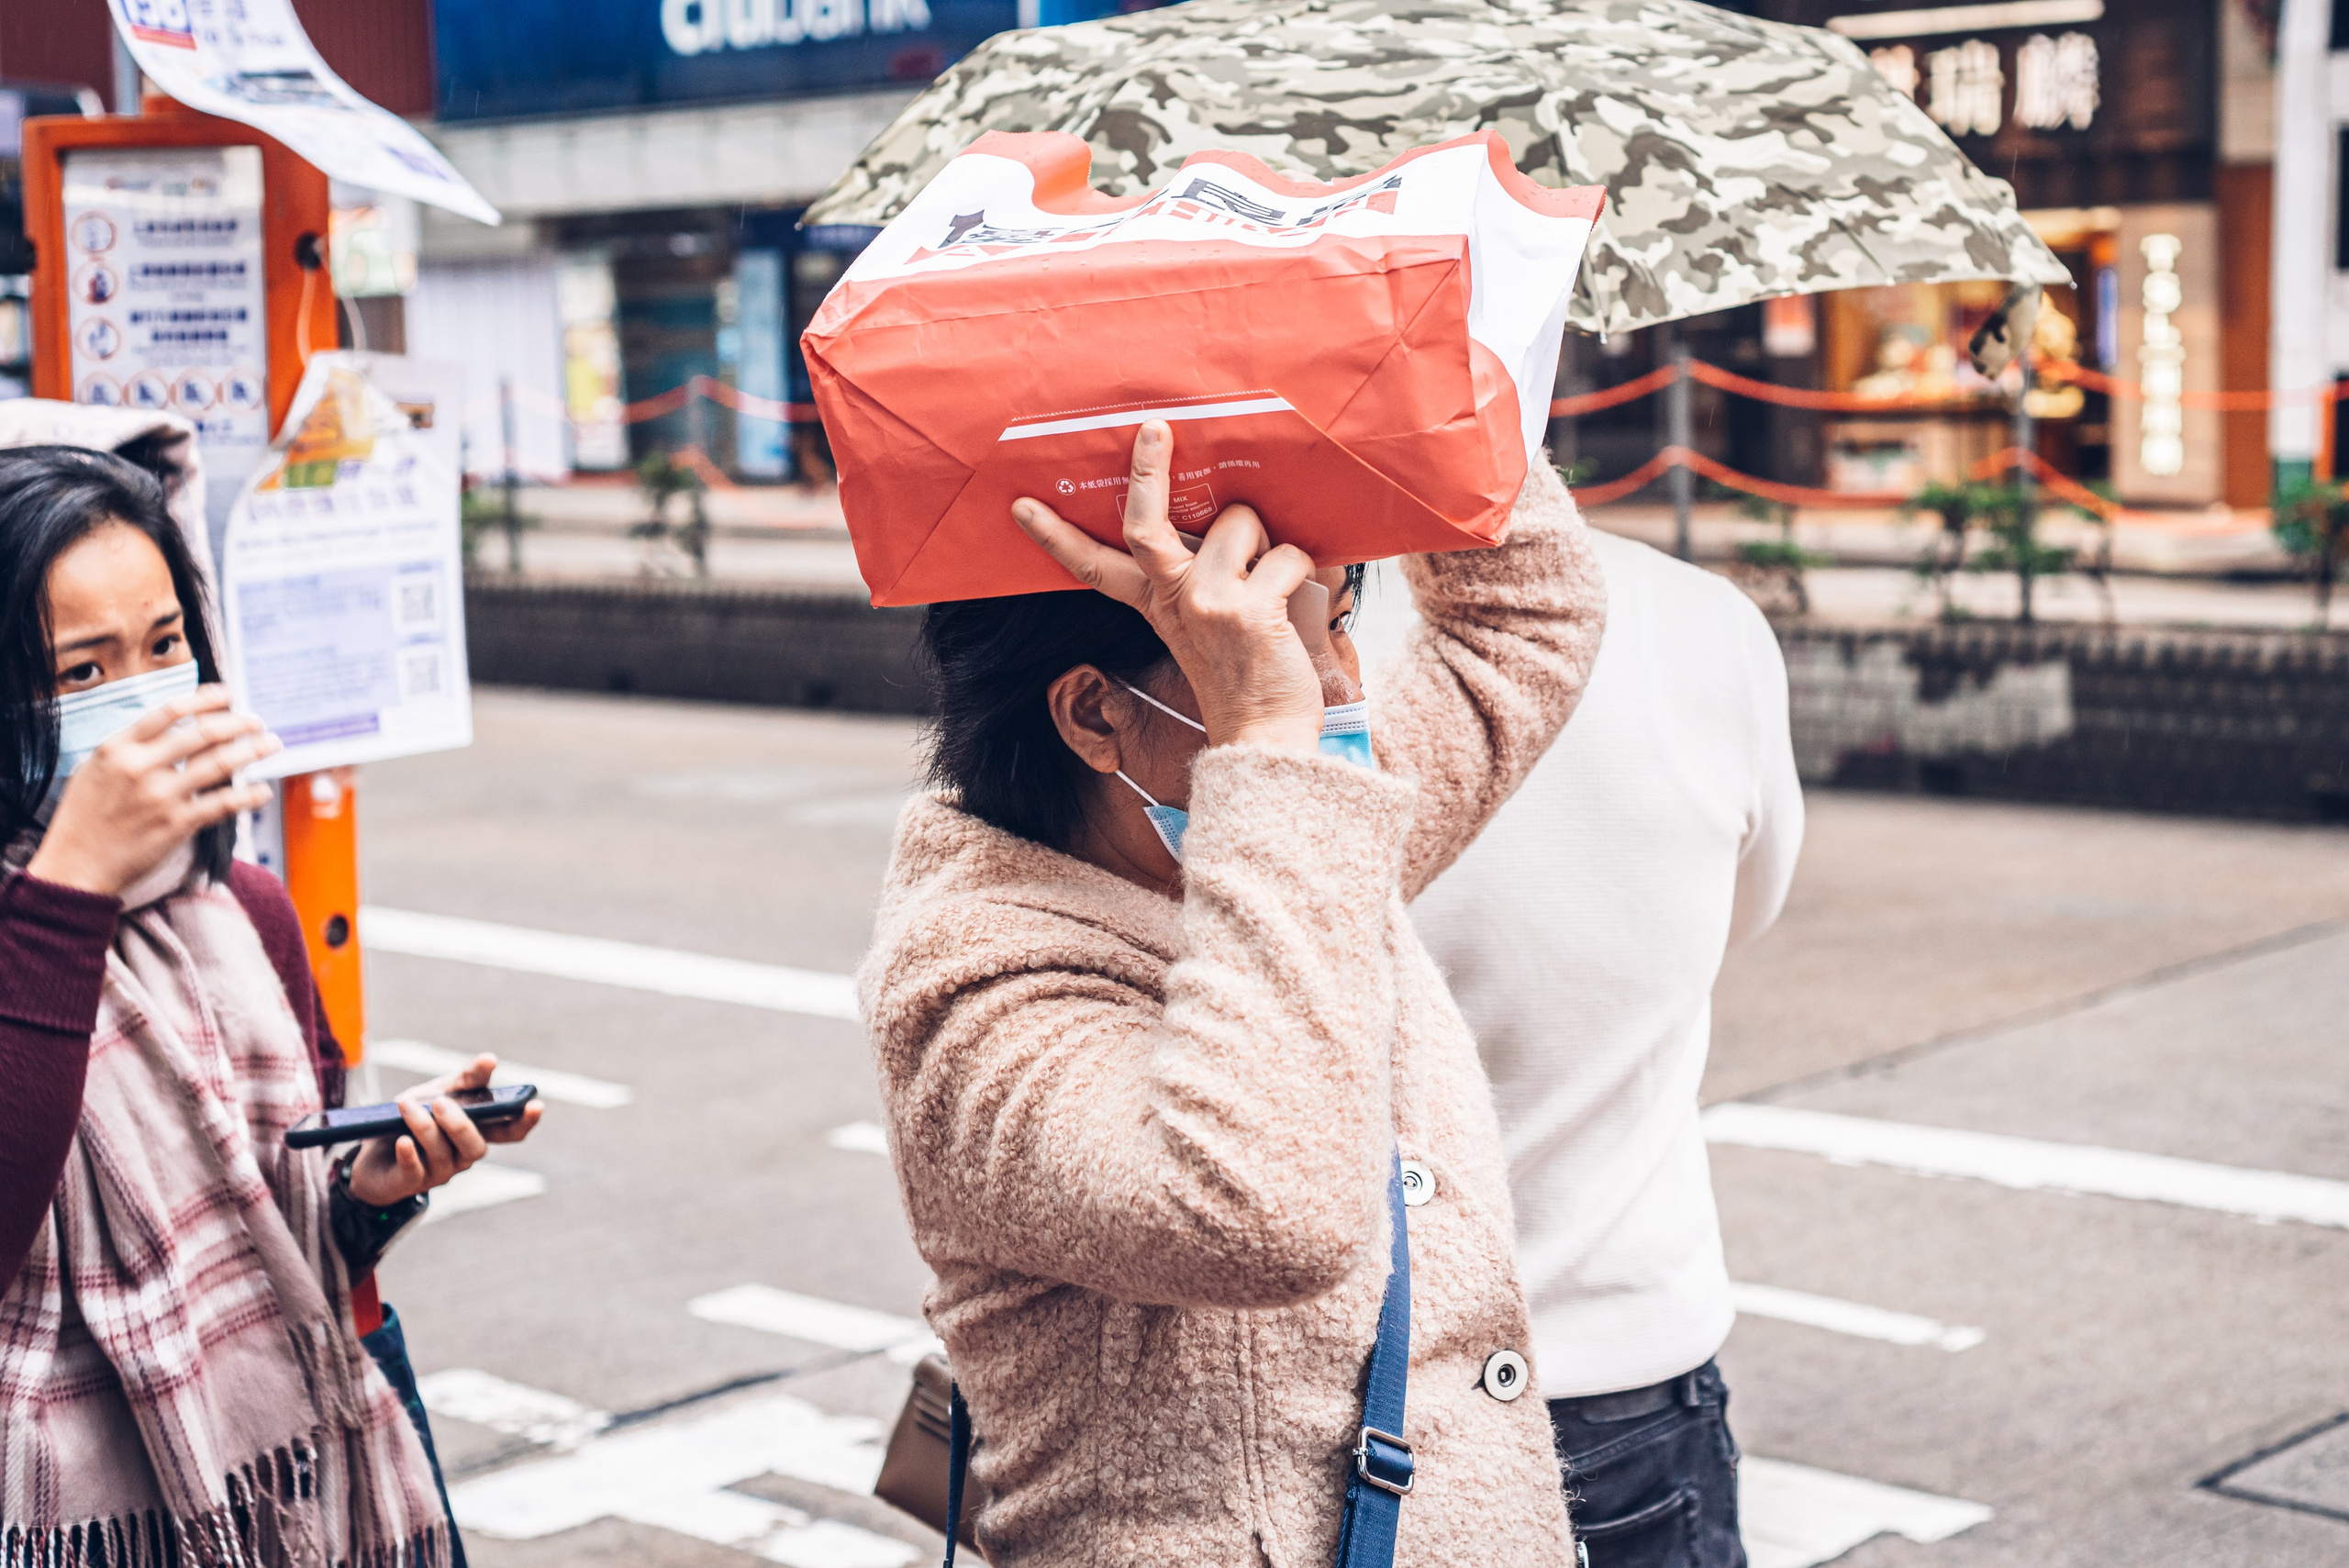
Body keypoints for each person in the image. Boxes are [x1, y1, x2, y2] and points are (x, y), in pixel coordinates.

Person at [859, 419, 1605, 1565]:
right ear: (1096, 714)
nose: (1341, 688)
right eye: (1275, 659)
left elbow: (1521, 623)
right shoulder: (975, 990)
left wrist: (1411, 375)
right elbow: (1259, 1212)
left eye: (1341, 623)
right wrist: (1266, 733)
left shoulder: (1268, 832)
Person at [0, 445, 542, 1563]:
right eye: (80, 672)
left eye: (162, 649)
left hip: (299, 1484)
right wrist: (67, 893)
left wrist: (372, 1188)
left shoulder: (242, 910)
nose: (140, 699)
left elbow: (283, 1236)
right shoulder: (35, 932)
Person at [1406, 528, 1804, 1568]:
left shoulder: (1203, 632)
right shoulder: (1702, 619)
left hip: (1306, 1399)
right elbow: (1742, 911)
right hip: (1616, 1368)